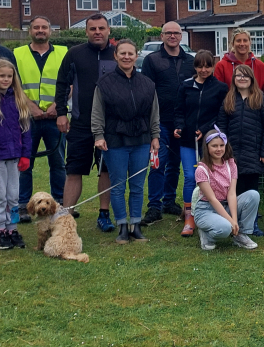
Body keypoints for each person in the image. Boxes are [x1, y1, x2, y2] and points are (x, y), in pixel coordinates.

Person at [91, 39, 160, 245]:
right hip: (115, 140)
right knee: (118, 185)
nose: (127, 57)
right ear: (116, 56)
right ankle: (122, 226)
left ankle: (136, 225)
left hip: (141, 140)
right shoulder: (104, 84)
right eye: (123, 53)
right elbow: (97, 112)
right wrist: (98, 135)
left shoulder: (147, 84)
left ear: (136, 55)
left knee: (137, 186)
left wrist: (155, 136)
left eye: (131, 53)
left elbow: (154, 113)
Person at [55, 14, 116, 231]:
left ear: (109, 30)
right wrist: (61, 113)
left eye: (101, 28)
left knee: (106, 170)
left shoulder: (118, 54)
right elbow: (62, 84)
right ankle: (65, 217)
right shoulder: (75, 54)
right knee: (74, 170)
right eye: (92, 29)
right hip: (81, 123)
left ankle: (104, 214)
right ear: (86, 32)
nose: (97, 32)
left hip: (110, 125)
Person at [140, 22, 195, 227]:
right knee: (157, 164)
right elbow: (146, 90)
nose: (173, 36)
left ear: (181, 37)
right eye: (168, 33)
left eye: (176, 33)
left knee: (175, 164)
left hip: (183, 123)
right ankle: (154, 206)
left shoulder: (191, 61)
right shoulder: (152, 60)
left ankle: (169, 201)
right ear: (162, 36)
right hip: (159, 121)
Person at [13, 16, 67, 224]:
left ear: (50, 31)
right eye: (36, 27)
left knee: (58, 162)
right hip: (27, 118)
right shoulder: (17, 54)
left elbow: (69, 82)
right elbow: (13, 83)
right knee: (25, 162)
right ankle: (23, 205)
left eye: (44, 27)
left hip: (55, 117)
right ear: (30, 31)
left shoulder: (63, 52)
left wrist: (57, 106)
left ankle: (59, 203)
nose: (40, 30)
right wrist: (31, 107)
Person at [173, 50, 228, 237]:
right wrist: (179, 126)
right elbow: (179, 110)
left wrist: (205, 128)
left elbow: (220, 113)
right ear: (195, 67)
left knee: (210, 178)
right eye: (200, 66)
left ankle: (211, 210)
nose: (204, 70)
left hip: (210, 140)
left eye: (207, 66)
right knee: (189, 177)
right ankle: (189, 216)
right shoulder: (186, 86)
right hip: (188, 140)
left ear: (213, 66)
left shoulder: (220, 87)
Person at [216, 64, 264, 236]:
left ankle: (252, 223)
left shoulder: (261, 99)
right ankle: (235, 222)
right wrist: (223, 151)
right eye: (238, 76)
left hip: (254, 153)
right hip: (232, 155)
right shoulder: (228, 100)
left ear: (251, 79)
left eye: (246, 76)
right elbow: (221, 127)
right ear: (234, 79)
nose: (242, 78)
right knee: (234, 190)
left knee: (252, 191)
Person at [0, 60, 32, 250]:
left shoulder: (18, 100)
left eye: (9, 76)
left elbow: (26, 130)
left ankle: (12, 228)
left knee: (13, 196)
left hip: (14, 157)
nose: (6, 79)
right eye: (2, 75)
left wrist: (26, 154)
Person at [192, 128, 259, 251]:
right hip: (206, 209)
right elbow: (212, 199)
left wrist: (234, 220)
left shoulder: (231, 164)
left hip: (225, 205)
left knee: (253, 195)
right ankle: (206, 234)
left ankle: (240, 234)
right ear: (207, 147)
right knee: (225, 228)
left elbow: (232, 193)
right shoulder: (201, 170)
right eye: (214, 146)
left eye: (222, 145)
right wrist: (230, 222)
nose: (219, 149)